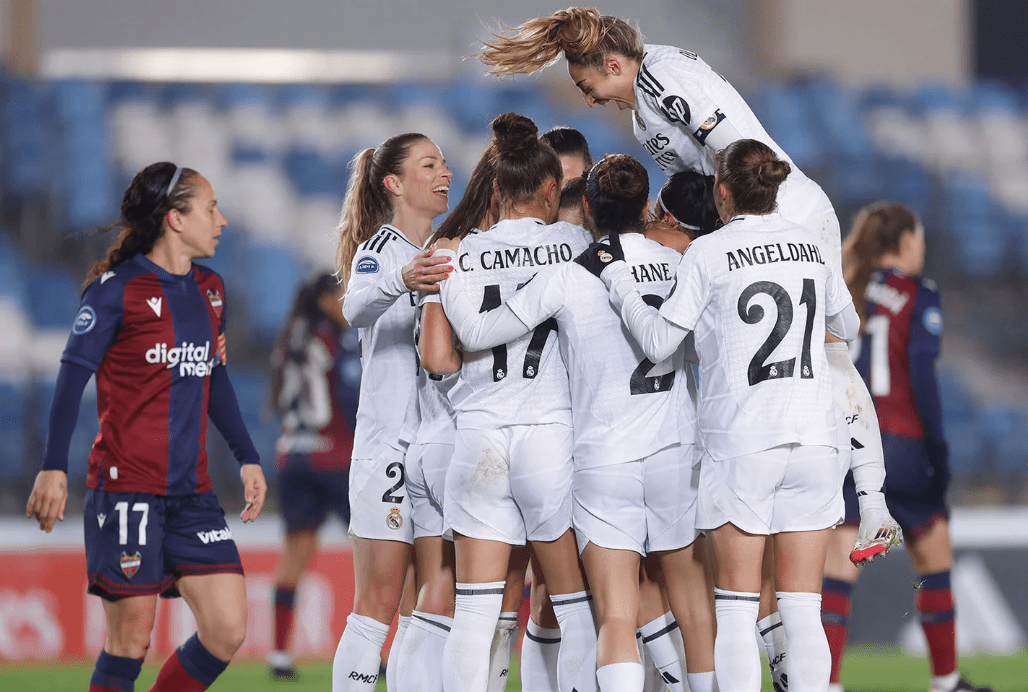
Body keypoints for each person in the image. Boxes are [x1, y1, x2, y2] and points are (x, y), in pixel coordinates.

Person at [477, 7, 900, 570]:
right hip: (759, 219)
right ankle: (843, 498)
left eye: (588, 84)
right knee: (812, 355)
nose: (588, 98)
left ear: (611, 63)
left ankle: (871, 507)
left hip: (780, 210)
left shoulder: (661, 76)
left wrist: (734, 233)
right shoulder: (645, 108)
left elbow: (736, 156)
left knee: (829, 355)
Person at [436, 153, 718, 692]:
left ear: (585, 205)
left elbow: (476, 331)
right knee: (693, 602)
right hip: (675, 452)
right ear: (646, 208)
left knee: (613, 613)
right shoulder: (679, 265)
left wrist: (447, 272)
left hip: (602, 457)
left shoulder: (569, 275)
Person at [589, 140, 861, 691]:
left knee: (736, 607)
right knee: (802, 606)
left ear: (722, 191)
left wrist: (619, 282)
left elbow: (662, 342)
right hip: (813, 440)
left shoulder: (708, 254)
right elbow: (847, 325)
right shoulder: (810, 245)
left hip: (742, 439)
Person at [25, 162, 267, 692]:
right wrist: (52, 468)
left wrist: (247, 454)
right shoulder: (116, 291)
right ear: (175, 219)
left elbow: (215, 377)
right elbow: (71, 380)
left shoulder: (212, 290)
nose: (221, 220)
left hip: (193, 493)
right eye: (210, 208)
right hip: (127, 488)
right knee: (131, 640)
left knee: (227, 629)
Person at [426, 112, 594, 692]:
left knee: (474, 611)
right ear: (552, 191)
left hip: (478, 437)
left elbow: (458, 341)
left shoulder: (458, 253)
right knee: (573, 605)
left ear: (495, 190)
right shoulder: (573, 244)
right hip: (550, 433)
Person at [822, 203, 993, 692]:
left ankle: (828, 684)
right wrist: (938, 454)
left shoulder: (844, 287)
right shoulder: (919, 295)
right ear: (906, 242)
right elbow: (921, 377)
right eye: (919, 238)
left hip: (851, 446)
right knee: (933, 564)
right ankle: (946, 680)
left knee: (837, 578)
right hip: (904, 445)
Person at [332, 133, 453, 692]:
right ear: (394, 183)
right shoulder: (381, 249)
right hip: (388, 449)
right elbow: (354, 307)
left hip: (432, 450)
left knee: (426, 610)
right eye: (429, 164)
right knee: (377, 603)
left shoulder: (446, 251)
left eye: (444, 163)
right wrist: (402, 280)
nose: (444, 172)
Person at [266, 272, 360, 680]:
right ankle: (374, 651)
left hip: (293, 455)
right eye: (341, 293)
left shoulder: (289, 338)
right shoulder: (334, 339)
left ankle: (279, 657)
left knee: (294, 558)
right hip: (334, 456)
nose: (346, 301)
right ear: (324, 299)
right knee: (379, 558)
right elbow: (351, 396)